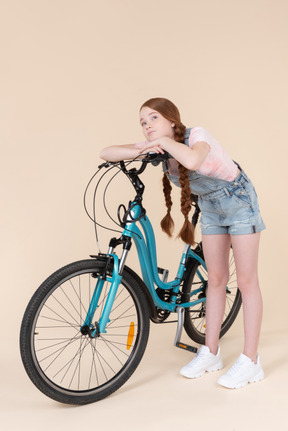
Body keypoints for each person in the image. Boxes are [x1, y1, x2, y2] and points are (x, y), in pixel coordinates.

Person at [100, 97, 265, 389]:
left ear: (172, 121)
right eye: (142, 122)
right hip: (212, 208)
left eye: (153, 118)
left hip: (239, 202)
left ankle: (251, 361)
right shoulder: (160, 148)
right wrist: (143, 148)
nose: (147, 126)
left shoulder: (196, 136)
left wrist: (161, 145)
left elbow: (192, 160)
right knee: (215, 279)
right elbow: (106, 152)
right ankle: (210, 352)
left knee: (246, 283)